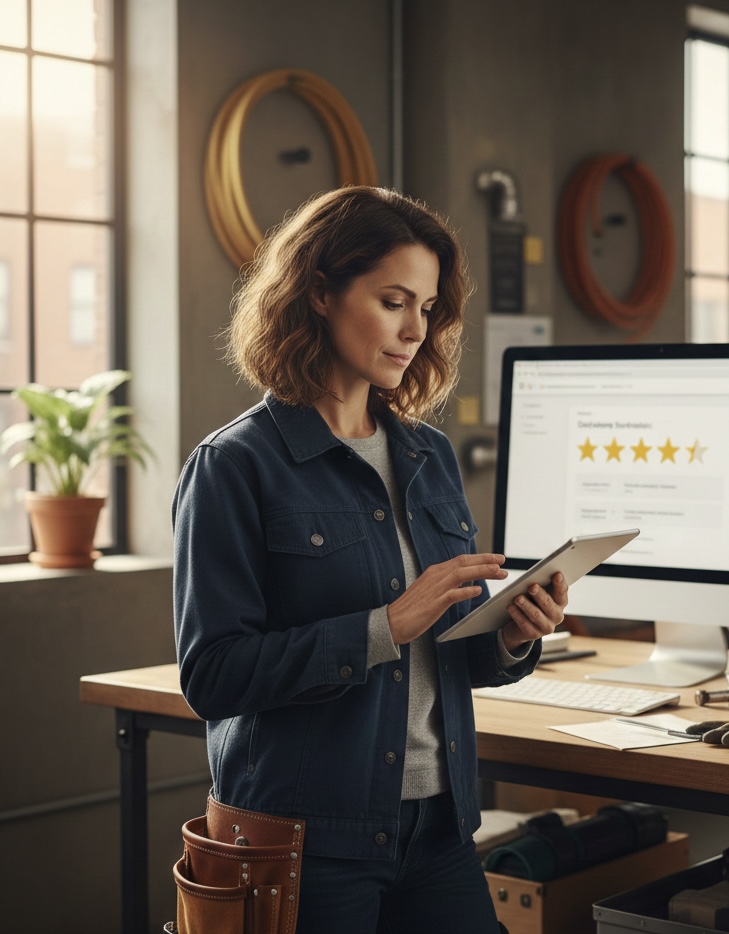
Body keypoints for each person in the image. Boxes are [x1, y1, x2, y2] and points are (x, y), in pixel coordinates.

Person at [172, 185, 568, 933]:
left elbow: (451, 657)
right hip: (304, 842)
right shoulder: (233, 465)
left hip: (442, 829)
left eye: (426, 308)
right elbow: (212, 676)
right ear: (319, 292)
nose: (414, 328)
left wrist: (512, 635)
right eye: (393, 300)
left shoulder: (430, 455)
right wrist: (384, 625)